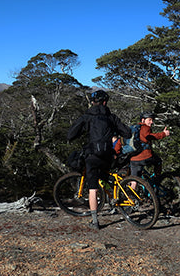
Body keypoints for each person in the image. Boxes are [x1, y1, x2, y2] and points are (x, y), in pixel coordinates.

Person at [67, 90, 131, 230]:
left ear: (93, 102)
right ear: (105, 102)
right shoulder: (111, 117)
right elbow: (127, 132)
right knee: (107, 175)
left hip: (93, 156)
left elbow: (71, 134)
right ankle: (115, 196)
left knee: (93, 188)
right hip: (108, 155)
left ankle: (95, 221)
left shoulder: (87, 116)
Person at [129, 112, 171, 180]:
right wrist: (163, 134)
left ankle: (132, 189)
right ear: (143, 120)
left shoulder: (135, 129)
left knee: (135, 179)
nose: (151, 122)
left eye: (152, 120)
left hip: (134, 159)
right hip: (145, 156)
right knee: (158, 161)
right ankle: (157, 179)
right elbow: (148, 136)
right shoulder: (145, 128)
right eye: (149, 120)